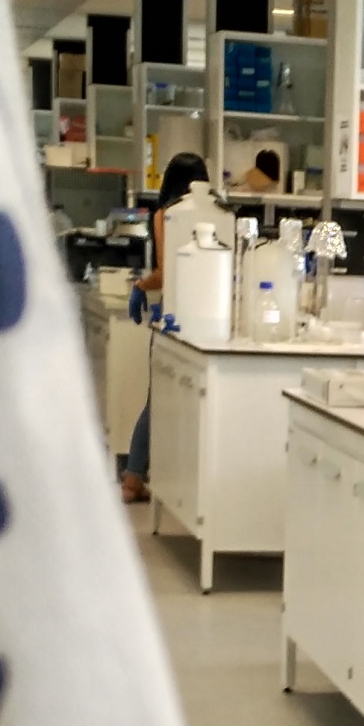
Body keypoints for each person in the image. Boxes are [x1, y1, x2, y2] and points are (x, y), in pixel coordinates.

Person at [121, 152, 212, 503]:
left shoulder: (165, 214)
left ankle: (134, 479)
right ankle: (147, 480)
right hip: (203, 317)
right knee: (169, 402)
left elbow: (166, 270)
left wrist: (140, 286)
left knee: (157, 400)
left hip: (174, 316)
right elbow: (176, 270)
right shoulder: (210, 213)